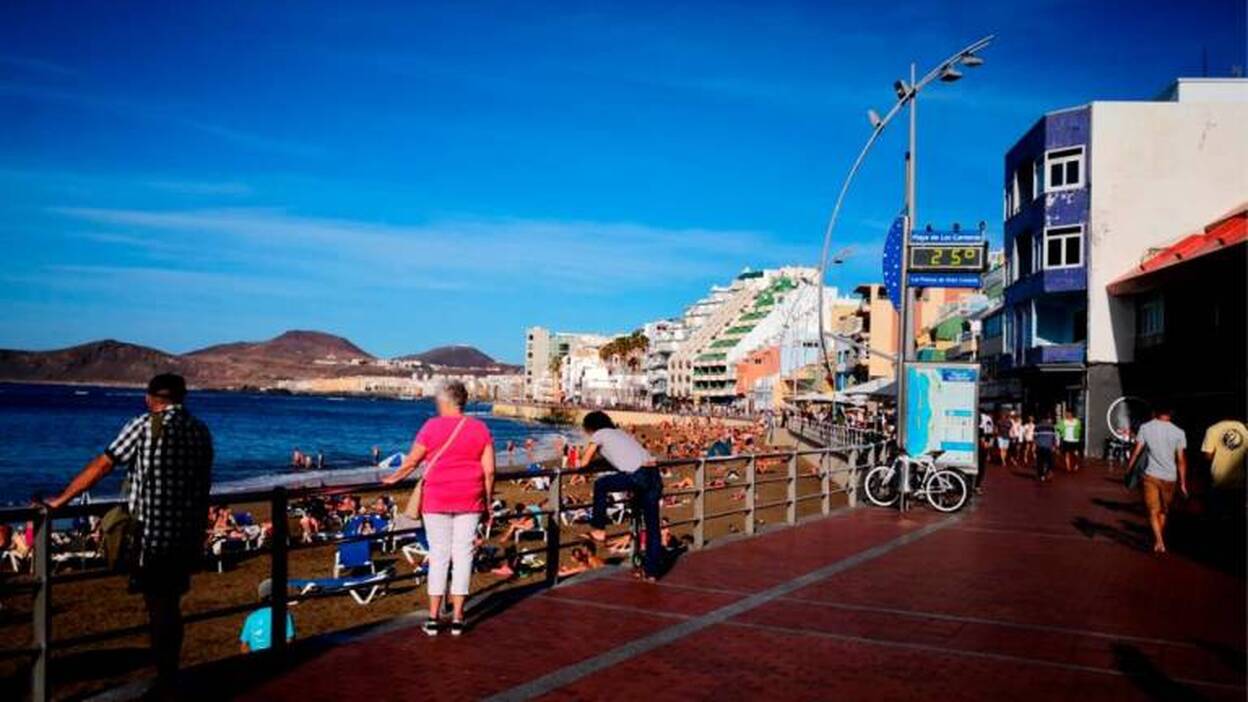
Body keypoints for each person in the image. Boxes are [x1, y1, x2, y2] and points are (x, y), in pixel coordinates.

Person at [43, 374, 213, 687]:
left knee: (159, 607)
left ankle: (166, 678)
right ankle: (170, 671)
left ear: (149, 398)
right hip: (187, 535)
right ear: (182, 397)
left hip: (152, 538)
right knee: (170, 605)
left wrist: (61, 500)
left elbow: (103, 465)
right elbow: (203, 483)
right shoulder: (200, 430)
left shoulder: (144, 426)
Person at [382, 381, 494, 637]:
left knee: (439, 555)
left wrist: (394, 478)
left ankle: (433, 618)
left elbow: (413, 460)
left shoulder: (431, 426)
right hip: (470, 497)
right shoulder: (479, 428)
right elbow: (489, 471)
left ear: (444, 401)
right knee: (463, 555)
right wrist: (487, 503)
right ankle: (457, 618)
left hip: (437, 498)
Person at [580, 411, 664, 581]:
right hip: (654, 474)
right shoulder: (619, 433)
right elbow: (622, 456)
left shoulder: (599, 434)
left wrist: (584, 465)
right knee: (652, 527)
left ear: (591, 427)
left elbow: (584, 462)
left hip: (638, 475)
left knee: (600, 484)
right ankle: (652, 572)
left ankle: (598, 529)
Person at [1127, 406, 1187, 554]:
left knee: (1153, 511)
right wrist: (1183, 483)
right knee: (1163, 511)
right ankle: (1159, 540)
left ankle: (1158, 540)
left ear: (1156, 413)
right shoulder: (1179, 432)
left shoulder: (1145, 427)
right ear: (1171, 413)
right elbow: (1181, 460)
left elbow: (1137, 451)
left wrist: (1129, 468)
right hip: (1170, 477)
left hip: (1150, 475)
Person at [239, 579, 295, 653]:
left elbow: (244, 646)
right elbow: (288, 640)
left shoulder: (251, 618)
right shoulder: (284, 615)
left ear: (260, 598)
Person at [1033, 415, 1058, 482]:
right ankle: (1048, 472)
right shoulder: (1051, 426)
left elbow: (1035, 437)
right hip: (1049, 446)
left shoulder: (1037, 426)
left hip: (1040, 446)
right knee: (1049, 461)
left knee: (1040, 461)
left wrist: (1034, 446)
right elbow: (1054, 437)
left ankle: (1041, 475)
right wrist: (1054, 446)